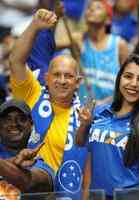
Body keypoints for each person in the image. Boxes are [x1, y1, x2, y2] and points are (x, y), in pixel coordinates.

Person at [9, 9, 88, 198]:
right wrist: (35, 26)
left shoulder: (87, 114)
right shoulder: (33, 94)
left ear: (78, 82)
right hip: (30, 184)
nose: (62, 80)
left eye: (68, 76)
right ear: (46, 77)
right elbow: (16, 61)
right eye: (56, 75)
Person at [77, 54, 139, 199]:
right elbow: (81, 144)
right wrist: (85, 125)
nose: (134, 84)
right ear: (119, 79)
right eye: (128, 76)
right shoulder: (99, 112)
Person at [57, 0, 129, 103]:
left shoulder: (119, 45)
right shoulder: (78, 41)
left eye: (98, 8)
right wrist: (57, 16)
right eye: (89, 8)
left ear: (108, 19)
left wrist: (103, 103)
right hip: (82, 110)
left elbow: (126, 83)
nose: (91, 10)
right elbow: (50, 45)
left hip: (108, 111)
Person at [0, 99, 54, 193]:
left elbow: (30, 184)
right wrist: (13, 161)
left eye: (21, 118)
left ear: (31, 124)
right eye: (7, 119)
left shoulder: (35, 162)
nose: (14, 124)